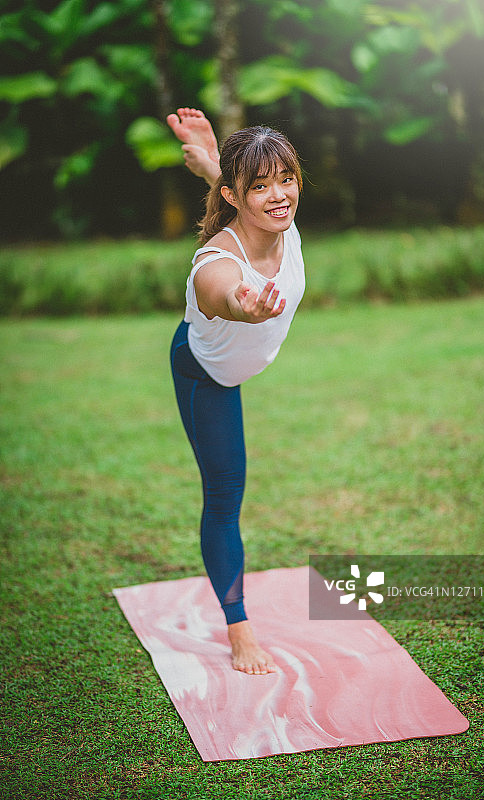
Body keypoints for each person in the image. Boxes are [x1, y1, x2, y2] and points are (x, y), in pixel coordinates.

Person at [167, 108, 305, 675]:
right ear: (236, 196)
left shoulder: (280, 223)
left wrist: (207, 163)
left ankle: (220, 165)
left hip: (234, 369)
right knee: (224, 498)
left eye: (287, 179)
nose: (279, 196)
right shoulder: (216, 263)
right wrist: (242, 307)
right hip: (206, 375)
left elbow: (240, 195)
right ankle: (239, 629)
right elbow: (220, 290)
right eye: (262, 186)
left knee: (230, 493)